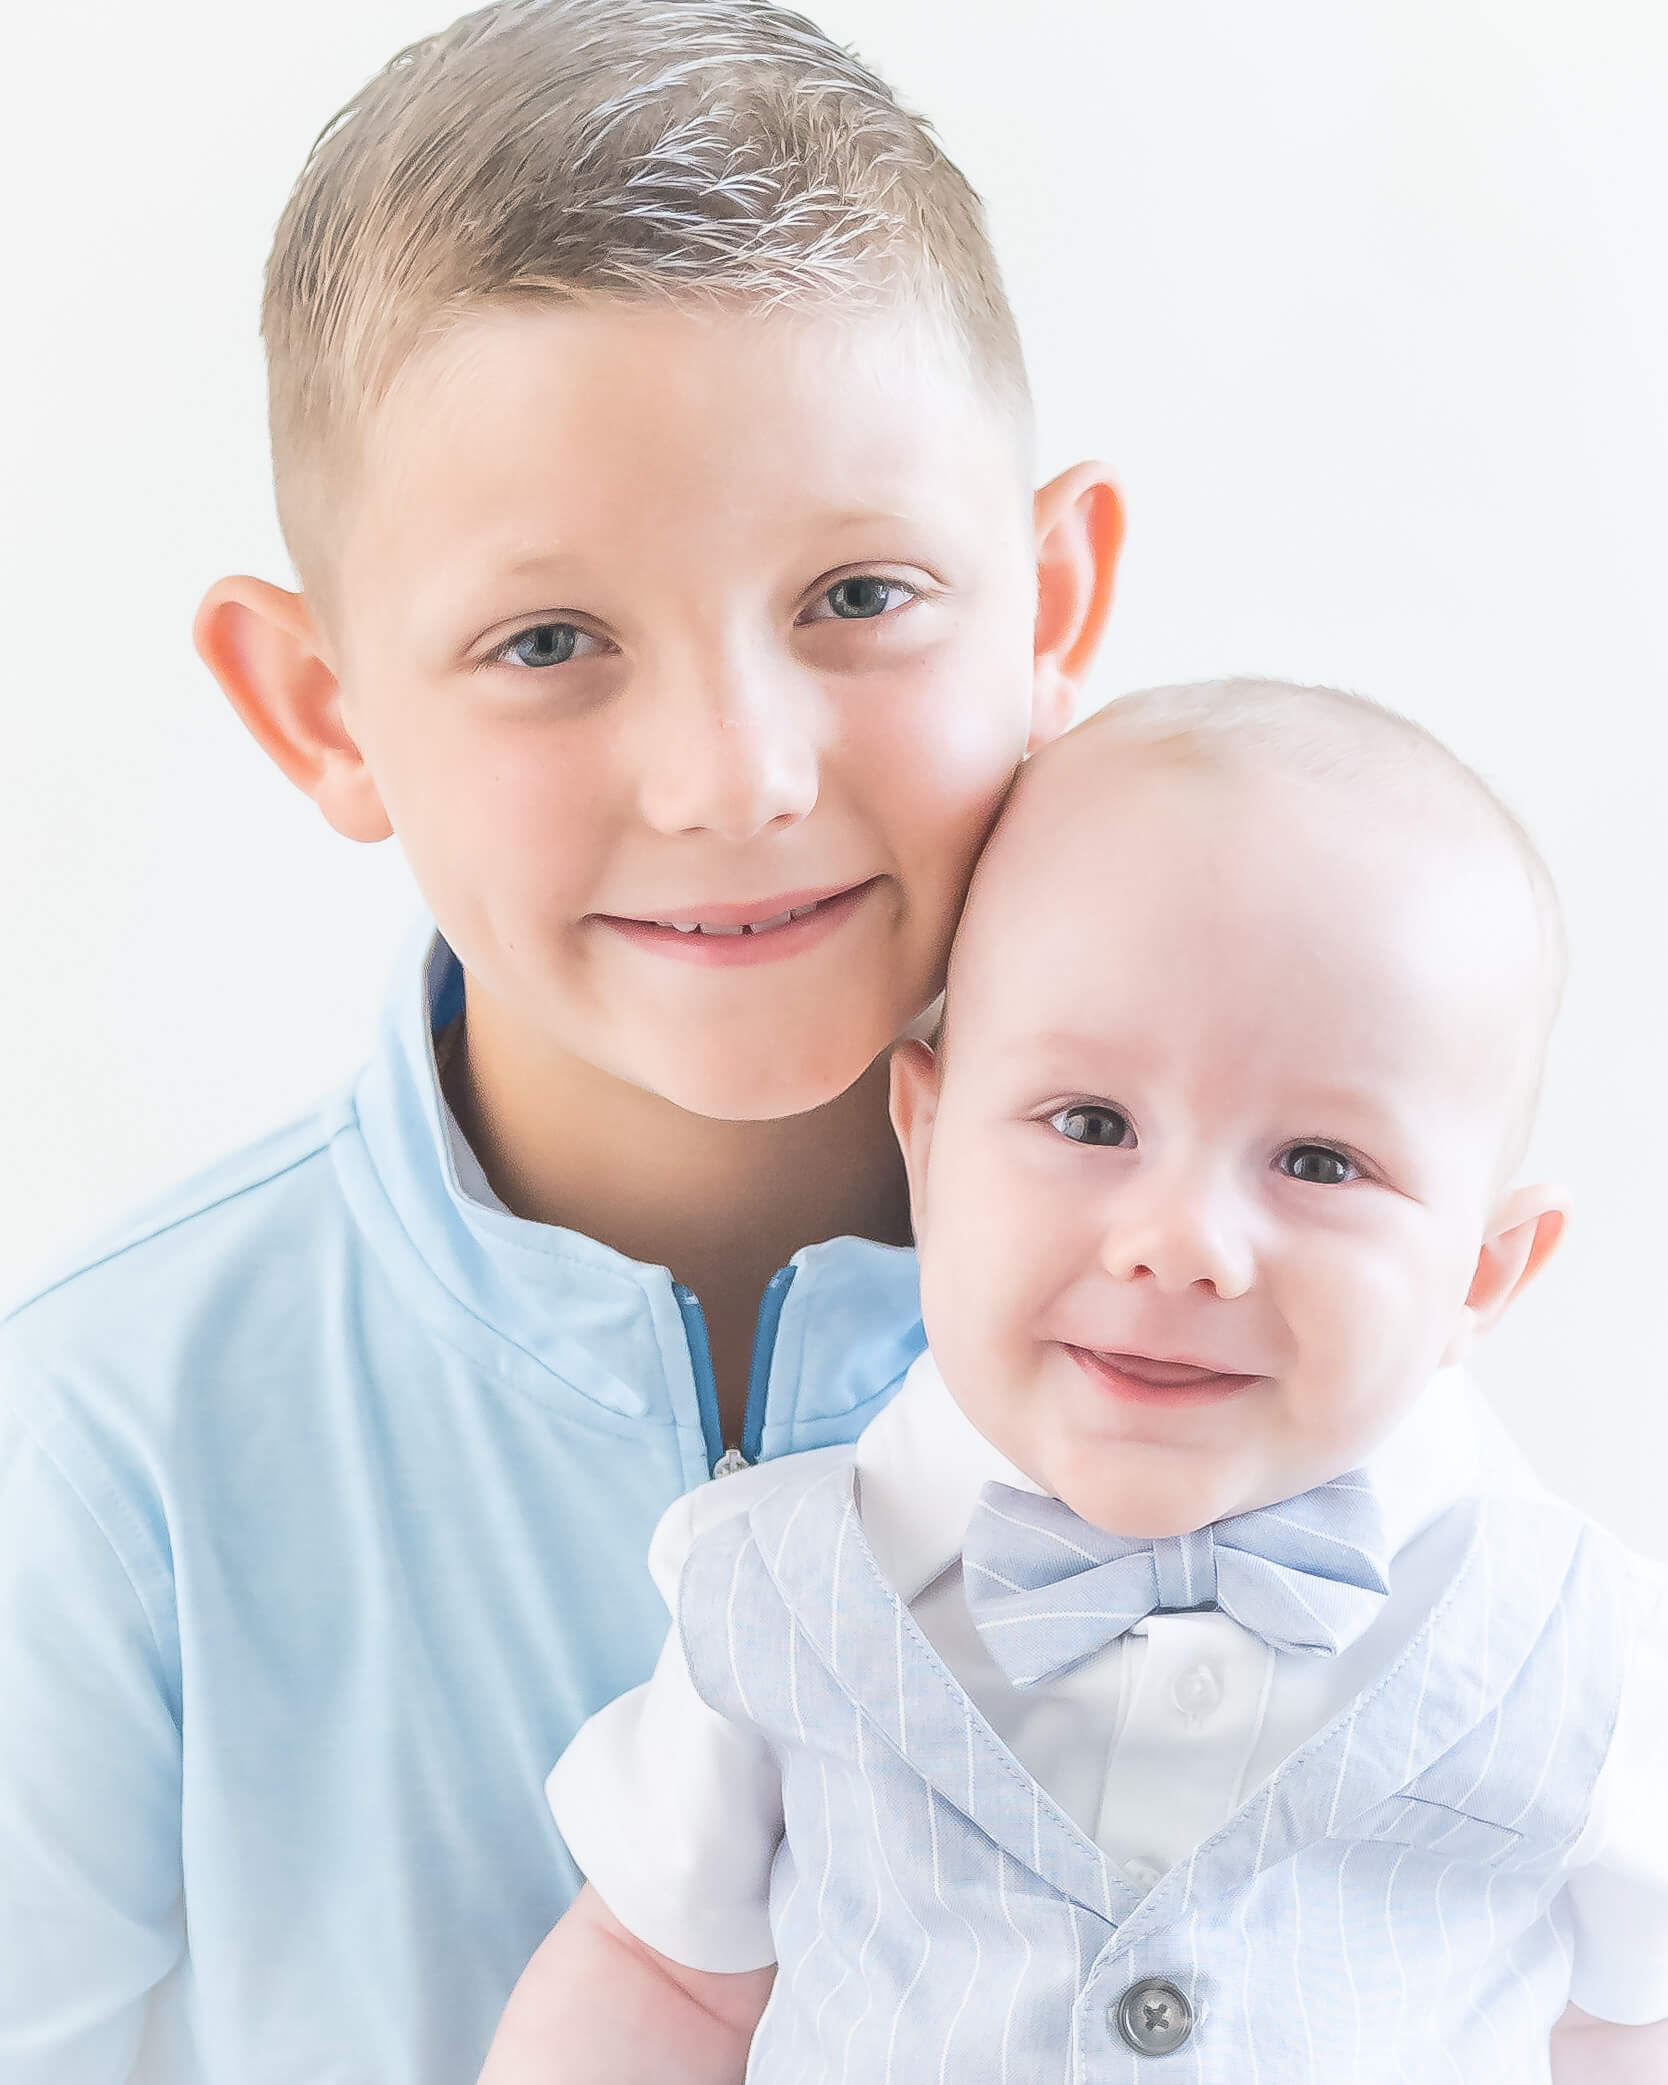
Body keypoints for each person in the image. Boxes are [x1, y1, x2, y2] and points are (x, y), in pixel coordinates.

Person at [0, 4, 1125, 2080]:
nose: (733, 775)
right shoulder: (97, 1447)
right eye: (548, 642)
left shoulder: (1243, 1325)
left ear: (1053, 600)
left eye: (859, 593)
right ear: (322, 711)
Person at [484, 681, 1668, 2085]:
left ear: (1482, 1272)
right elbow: (661, 1976)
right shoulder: (782, 1593)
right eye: (1092, 1122)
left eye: (1321, 1162)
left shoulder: (1580, 1652)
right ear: (926, 1143)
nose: (1180, 1242)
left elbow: (1624, 2021)